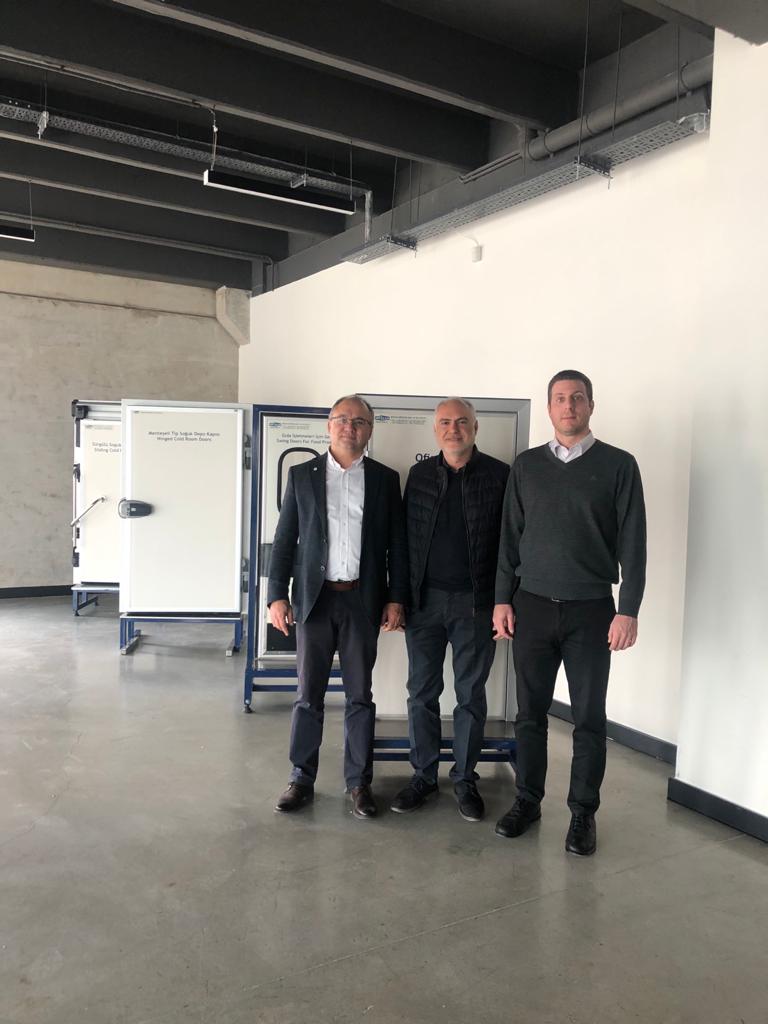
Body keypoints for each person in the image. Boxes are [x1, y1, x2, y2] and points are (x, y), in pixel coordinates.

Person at [492, 371, 646, 856]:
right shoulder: (527, 466)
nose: (569, 406)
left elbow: (634, 543)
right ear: (549, 407)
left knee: (589, 719)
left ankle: (582, 814)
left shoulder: (619, 465)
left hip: (592, 611)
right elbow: (509, 538)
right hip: (532, 607)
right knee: (529, 715)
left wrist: (628, 610)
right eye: (559, 398)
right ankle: (527, 801)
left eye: (577, 397)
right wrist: (502, 599)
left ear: (590, 405)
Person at [268, 395, 408, 819]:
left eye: (359, 421)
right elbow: (285, 540)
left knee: (360, 695)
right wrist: (276, 595)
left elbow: (397, 546)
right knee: (308, 695)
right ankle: (300, 778)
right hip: (315, 600)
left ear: (370, 429)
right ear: (329, 426)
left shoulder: (385, 479)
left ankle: (359, 783)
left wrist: (396, 598)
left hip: (362, 600)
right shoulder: (301, 476)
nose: (351, 427)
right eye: (343, 419)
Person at [391, 398, 510, 822]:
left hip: (476, 605)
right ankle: (423, 776)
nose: (453, 429)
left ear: (475, 428)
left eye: (462, 422)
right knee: (421, 693)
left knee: (470, 696)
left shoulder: (499, 475)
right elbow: (404, 542)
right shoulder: (420, 475)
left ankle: (464, 779)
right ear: (435, 430)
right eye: (445, 422)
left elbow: (510, 545)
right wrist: (399, 597)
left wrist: (503, 600)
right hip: (424, 604)